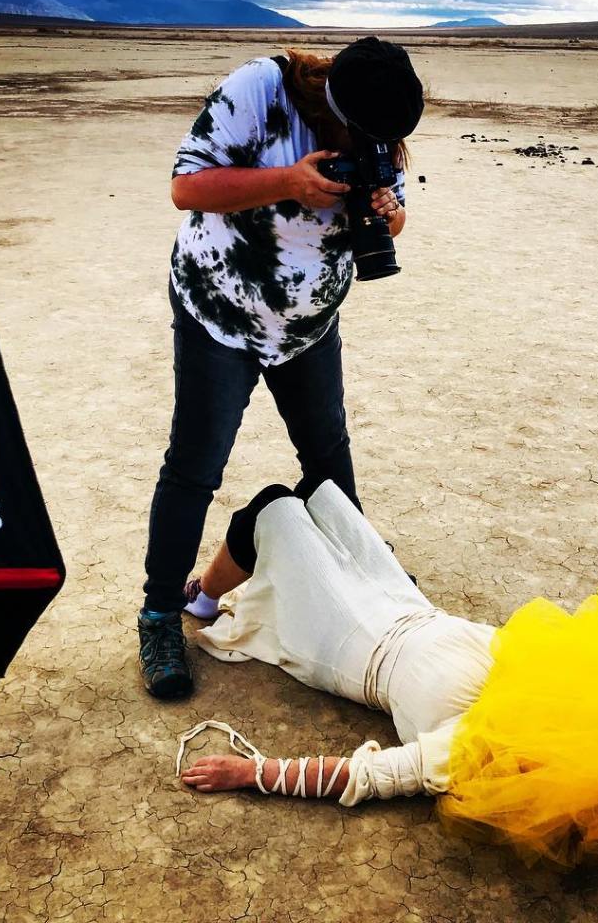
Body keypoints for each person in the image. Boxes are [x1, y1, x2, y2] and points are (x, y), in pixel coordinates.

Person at [175, 481, 598, 869]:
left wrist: (251, 773)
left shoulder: (476, 749)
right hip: (404, 603)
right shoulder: (543, 669)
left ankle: (201, 595)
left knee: (273, 508)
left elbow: (365, 776)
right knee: (319, 493)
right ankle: (214, 587)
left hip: (348, 641)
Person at [138, 38, 425, 699]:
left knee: (328, 456)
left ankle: (366, 583)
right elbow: (185, 188)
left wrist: (387, 212)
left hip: (308, 324)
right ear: (336, 103)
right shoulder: (260, 91)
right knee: (195, 467)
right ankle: (159, 615)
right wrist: (289, 182)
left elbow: (396, 222)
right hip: (221, 311)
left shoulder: (381, 128)